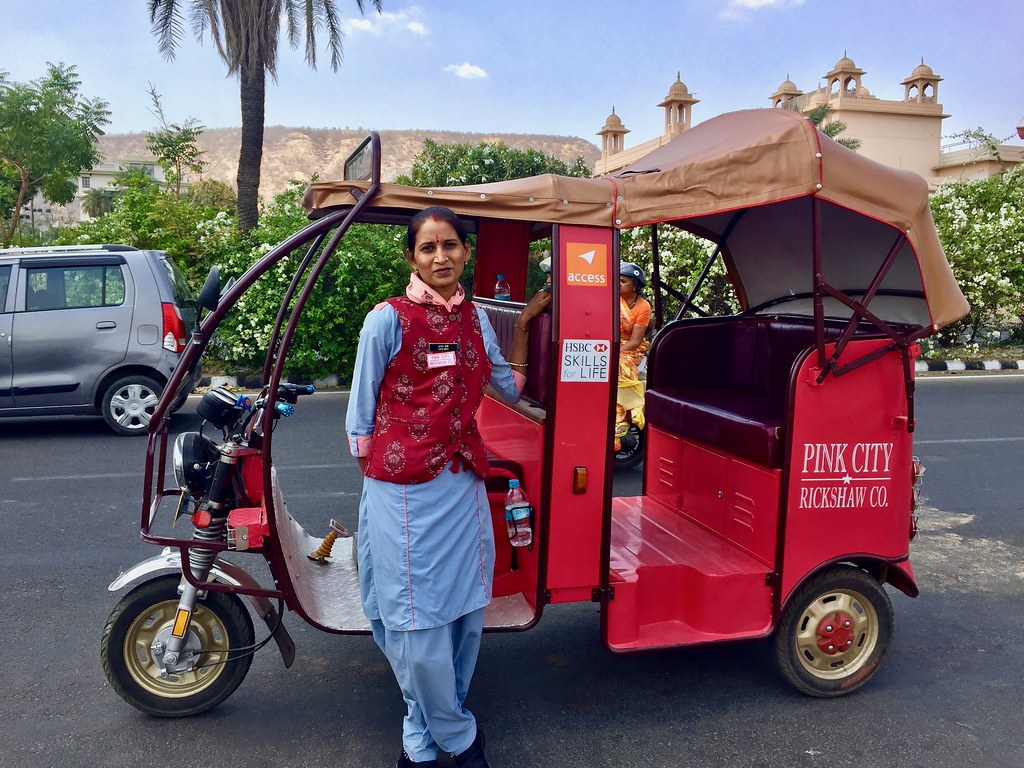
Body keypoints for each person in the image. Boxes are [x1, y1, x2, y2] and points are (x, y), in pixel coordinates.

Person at [346, 206, 550, 768]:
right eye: (428, 248)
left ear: (466, 252)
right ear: (411, 257)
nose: (441, 257)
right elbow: (360, 420)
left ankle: (423, 725)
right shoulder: (385, 320)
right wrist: (387, 477)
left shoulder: (476, 320)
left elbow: (505, 385)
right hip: (405, 489)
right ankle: (457, 735)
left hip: (461, 482)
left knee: (462, 609)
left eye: (451, 246)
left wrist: (529, 325)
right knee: (413, 618)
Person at [615, 262, 651, 452]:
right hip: (611, 343)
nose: (618, 284)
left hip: (631, 348)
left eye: (623, 281)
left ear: (634, 285)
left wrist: (614, 353)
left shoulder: (643, 307)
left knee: (620, 365)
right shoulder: (612, 299)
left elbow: (635, 341)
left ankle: (620, 420)